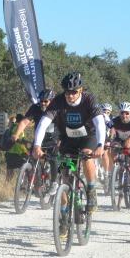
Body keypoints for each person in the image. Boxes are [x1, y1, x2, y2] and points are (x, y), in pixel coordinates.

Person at [31, 73, 106, 211]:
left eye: (74, 92)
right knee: (64, 178)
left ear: (81, 90)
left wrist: (100, 145)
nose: (70, 96)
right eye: (67, 92)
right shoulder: (58, 101)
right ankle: (64, 214)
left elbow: (100, 122)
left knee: (86, 156)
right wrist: (37, 145)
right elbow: (43, 123)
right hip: (67, 139)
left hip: (87, 137)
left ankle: (91, 190)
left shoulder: (89, 99)